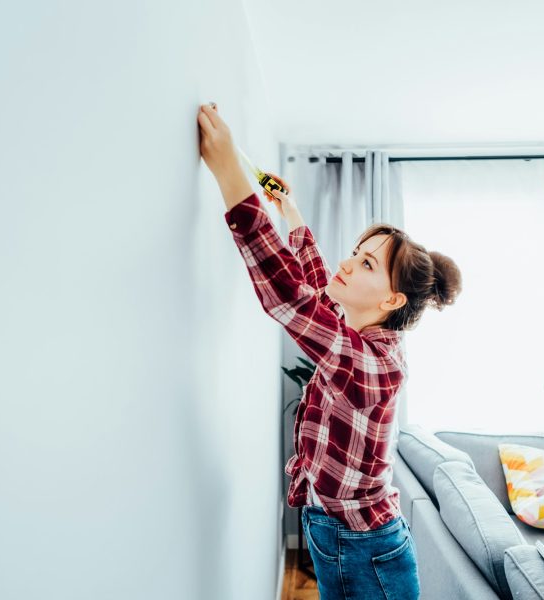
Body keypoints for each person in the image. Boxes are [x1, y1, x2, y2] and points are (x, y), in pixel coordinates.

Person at [197, 102, 462, 600]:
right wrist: (288, 209)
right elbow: (319, 283)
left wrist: (231, 176)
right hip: (341, 531)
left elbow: (291, 298)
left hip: (365, 549)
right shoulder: (360, 328)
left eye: (365, 264)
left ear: (390, 299)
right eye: (356, 252)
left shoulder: (373, 365)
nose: (348, 263)